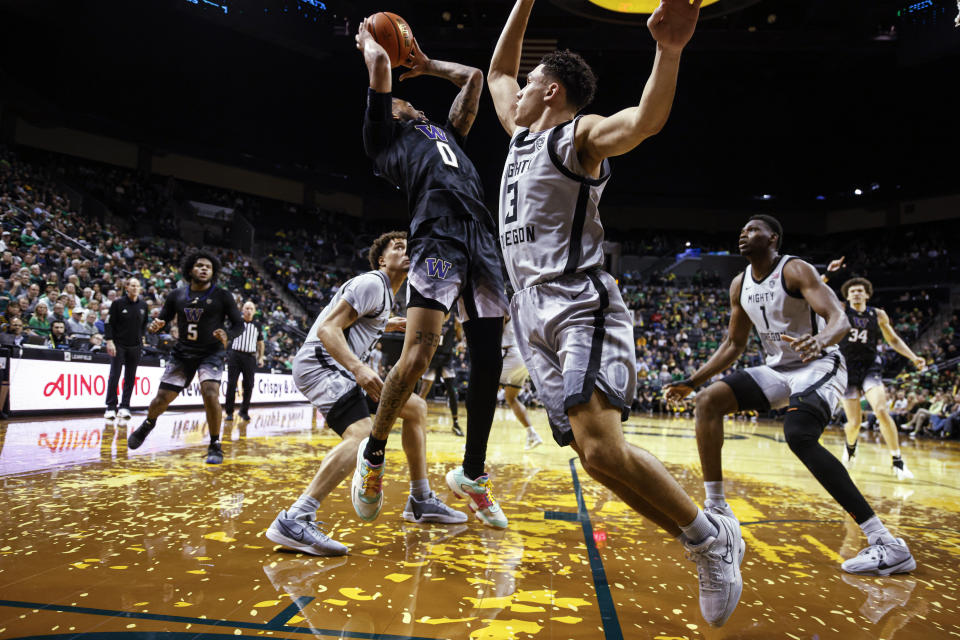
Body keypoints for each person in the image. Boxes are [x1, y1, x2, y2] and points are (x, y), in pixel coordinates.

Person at [488, 0, 743, 627]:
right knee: (596, 456)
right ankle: (705, 536)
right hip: (529, 313)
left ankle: (710, 543)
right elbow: (497, 72)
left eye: (528, 86)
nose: (513, 92)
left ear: (550, 92)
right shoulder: (521, 137)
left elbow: (644, 122)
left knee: (602, 443)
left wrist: (669, 51)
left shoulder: (578, 136)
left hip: (578, 303)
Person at [665, 215, 917, 579]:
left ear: (773, 238)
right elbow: (734, 343)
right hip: (779, 371)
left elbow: (839, 319)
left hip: (820, 365)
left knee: (799, 435)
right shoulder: (739, 284)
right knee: (707, 401)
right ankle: (719, 509)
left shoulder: (795, 270)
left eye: (753, 229)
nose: (743, 233)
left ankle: (887, 543)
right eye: (742, 229)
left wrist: (820, 339)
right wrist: (692, 380)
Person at [353, 22, 508, 528]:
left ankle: (472, 473)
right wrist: (370, 40)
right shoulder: (385, 138)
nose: (408, 98)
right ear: (388, 111)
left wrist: (425, 64)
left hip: (480, 235)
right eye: (400, 98)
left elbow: (475, 79)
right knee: (420, 353)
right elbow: (378, 68)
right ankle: (374, 454)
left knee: (488, 359)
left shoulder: (443, 133)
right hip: (437, 231)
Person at [267, 232, 466, 556]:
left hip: (337, 368)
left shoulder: (385, 295)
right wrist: (359, 368)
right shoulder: (372, 283)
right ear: (381, 259)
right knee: (361, 435)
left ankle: (420, 500)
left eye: (409, 248)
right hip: (322, 365)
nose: (406, 252)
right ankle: (296, 518)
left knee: (415, 407)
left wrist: (387, 324)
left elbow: (359, 321)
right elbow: (327, 329)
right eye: (398, 248)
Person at [126, 252, 243, 464]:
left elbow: (239, 325)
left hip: (211, 352)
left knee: (210, 393)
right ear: (190, 270)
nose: (204, 269)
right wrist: (155, 325)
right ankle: (148, 423)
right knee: (162, 399)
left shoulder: (223, 296)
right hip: (183, 353)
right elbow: (163, 319)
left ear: (213, 272)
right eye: (199, 265)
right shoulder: (176, 295)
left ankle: (215, 444)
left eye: (209, 266)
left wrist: (228, 334)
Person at [827, 273, 926, 478]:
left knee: (881, 410)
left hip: (870, 367)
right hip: (847, 369)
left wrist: (914, 357)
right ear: (847, 296)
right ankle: (851, 446)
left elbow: (894, 340)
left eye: (859, 291)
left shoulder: (878, 315)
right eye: (852, 291)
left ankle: (897, 460)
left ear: (867, 295)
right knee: (854, 423)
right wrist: (827, 275)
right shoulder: (842, 309)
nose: (856, 294)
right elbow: (818, 291)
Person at [104, 278, 148, 420]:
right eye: (132, 285)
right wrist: (109, 341)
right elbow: (109, 323)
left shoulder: (143, 305)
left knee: (130, 377)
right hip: (119, 345)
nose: (135, 288)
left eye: (137, 286)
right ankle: (111, 407)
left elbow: (144, 325)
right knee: (115, 375)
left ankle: (125, 406)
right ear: (127, 287)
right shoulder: (117, 303)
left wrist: (142, 338)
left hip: (135, 346)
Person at [416, 313, 464, 436]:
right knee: (423, 391)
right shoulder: (433, 316)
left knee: (452, 392)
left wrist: (461, 343)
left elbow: (460, 339)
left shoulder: (455, 321)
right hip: (432, 357)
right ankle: (417, 421)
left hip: (446, 359)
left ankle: (456, 423)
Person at [500, 314, 542, 449]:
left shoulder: (504, 308)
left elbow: (496, 332)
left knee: (483, 395)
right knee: (511, 398)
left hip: (510, 353)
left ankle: (474, 444)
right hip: (525, 357)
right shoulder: (524, 309)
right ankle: (532, 434)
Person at [224, 300, 264, 422]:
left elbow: (261, 343)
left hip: (250, 357)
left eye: (251, 309)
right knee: (231, 384)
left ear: (254, 311)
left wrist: (260, 357)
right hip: (235, 355)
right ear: (242, 310)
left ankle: (244, 411)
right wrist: (224, 352)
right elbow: (227, 337)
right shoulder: (236, 322)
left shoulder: (257, 325)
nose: (248, 311)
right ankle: (229, 412)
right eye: (246, 308)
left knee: (249, 385)